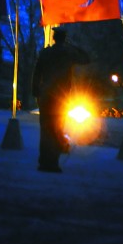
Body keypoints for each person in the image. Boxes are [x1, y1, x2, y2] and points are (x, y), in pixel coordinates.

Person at [31, 26, 90, 173]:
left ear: (53, 38)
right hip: (61, 96)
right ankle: (53, 162)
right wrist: (71, 45)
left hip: (45, 95)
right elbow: (86, 58)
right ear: (64, 38)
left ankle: (44, 161)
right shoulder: (68, 53)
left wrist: (36, 91)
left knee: (45, 130)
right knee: (57, 129)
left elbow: (37, 73)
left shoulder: (45, 53)